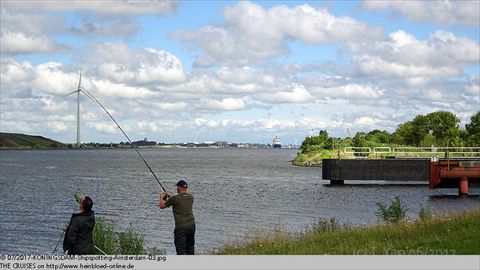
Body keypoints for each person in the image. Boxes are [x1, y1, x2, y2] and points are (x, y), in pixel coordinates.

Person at [159, 180, 195, 255]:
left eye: (177, 187)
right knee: (190, 248)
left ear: (179, 187)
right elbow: (180, 200)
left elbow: (162, 206)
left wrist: (162, 197)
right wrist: (171, 197)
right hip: (192, 226)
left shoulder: (175, 198)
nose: (176, 188)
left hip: (181, 228)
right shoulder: (191, 197)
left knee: (180, 250)